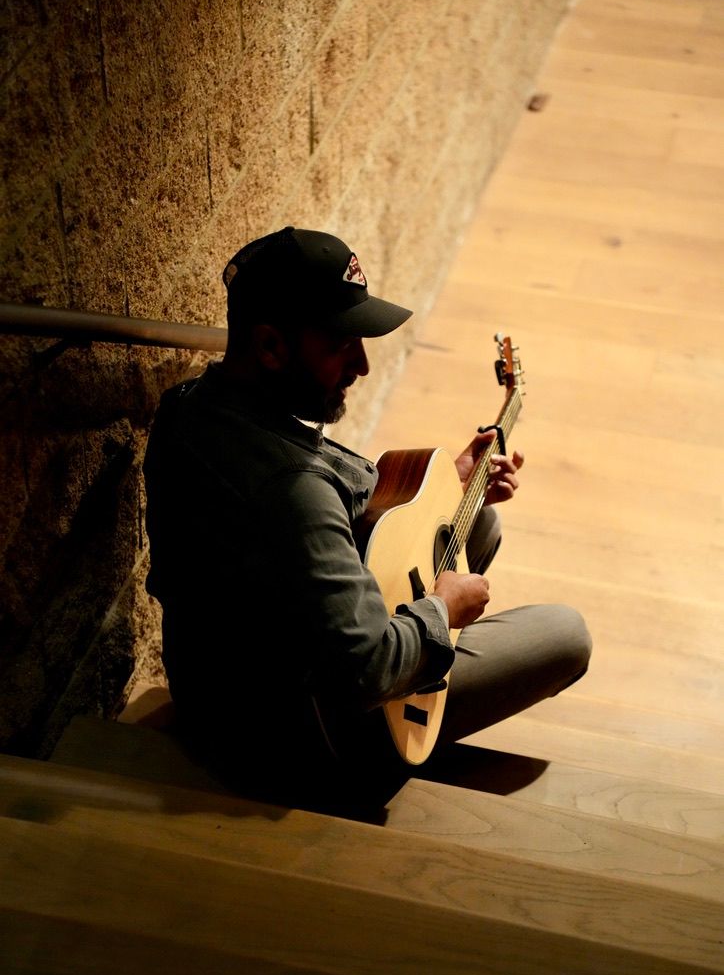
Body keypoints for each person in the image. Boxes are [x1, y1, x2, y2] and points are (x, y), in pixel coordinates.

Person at [144, 226, 591, 814]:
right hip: (307, 743)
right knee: (566, 634)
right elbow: (365, 668)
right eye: (340, 345)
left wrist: (451, 479)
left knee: (475, 525)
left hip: (216, 686)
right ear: (271, 346)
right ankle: (405, 724)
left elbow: (294, 532)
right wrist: (442, 610)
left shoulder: (190, 408)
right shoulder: (293, 488)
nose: (361, 364)